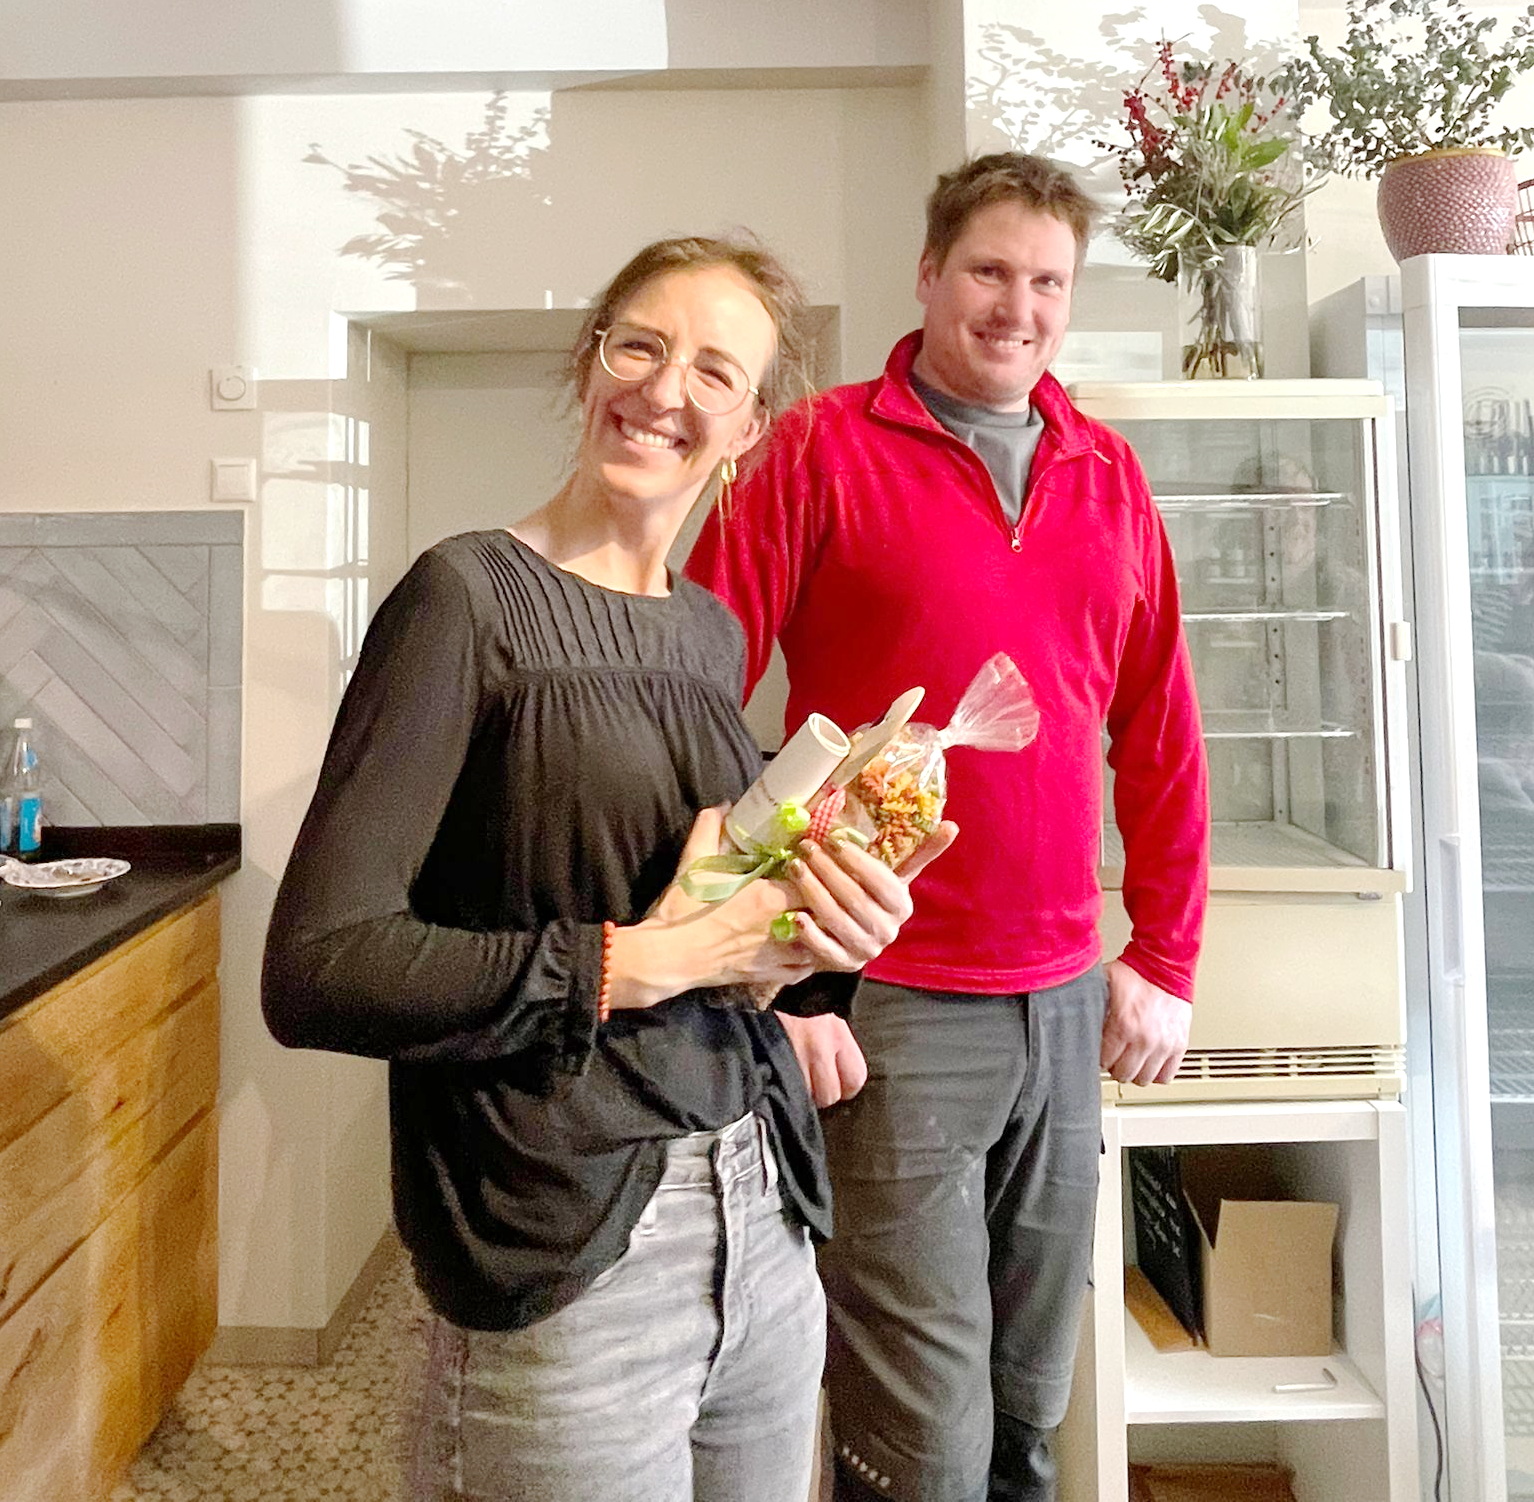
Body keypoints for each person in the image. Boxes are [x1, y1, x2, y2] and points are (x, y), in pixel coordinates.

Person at [261, 234, 956, 1502]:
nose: (664, 388)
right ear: (590, 365)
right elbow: (320, 966)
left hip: (760, 1210)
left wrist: (808, 952)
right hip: (568, 1238)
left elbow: (704, 917)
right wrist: (647, 959)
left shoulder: (708, 632)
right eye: (638, 345)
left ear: (748, 428)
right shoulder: (465, 599)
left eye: (714, 370)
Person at [687, 154, 1211, 1502]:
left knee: (1032, 1408)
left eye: (1047, 281)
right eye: (988, 269)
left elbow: (1157, 725)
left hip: (1064, 1000)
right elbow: (688, 696)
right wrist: (763, 957)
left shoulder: (1107, 474)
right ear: (927, 275)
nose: (1016, 307)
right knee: (922, 1438)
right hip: (890, 998)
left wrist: (1164, 953)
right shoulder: (820, 448)